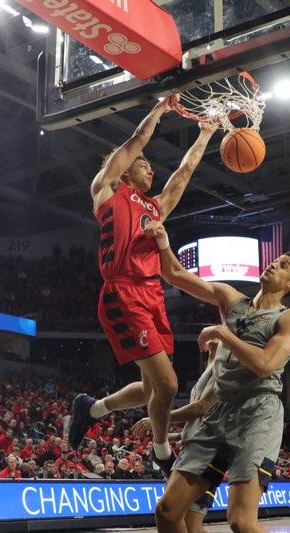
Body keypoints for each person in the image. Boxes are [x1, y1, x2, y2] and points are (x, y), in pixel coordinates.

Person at [69, 96, 219, 475]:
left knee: (152, 391)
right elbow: (136, 140)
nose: (150, 170)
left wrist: (205, 134)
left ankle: (90, 408)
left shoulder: (155, 207)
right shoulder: (107, 190)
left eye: (152, 167)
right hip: (122, 292)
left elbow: (183, 173)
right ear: (123, 169)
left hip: (153, 295)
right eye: (144, 165)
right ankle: (161, 450)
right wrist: (158, 110)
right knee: (168, 385)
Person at [144, 220, 290, 533]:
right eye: (274, 260)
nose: (274, 264)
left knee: (242, 522)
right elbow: (176, 275)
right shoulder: (231, 299)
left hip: (258, 412)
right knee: (167, 512)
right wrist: (163, 241)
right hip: (218, 412)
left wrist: (224, 333)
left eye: (283, 265)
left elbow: (265, 364)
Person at [133, 340, 222, 533]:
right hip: (200, 449)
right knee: (190, 524)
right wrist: (170, 434)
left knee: (175, 516)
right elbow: (196, 425)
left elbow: (200, 408)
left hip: (205, 453)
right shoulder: (210, 371)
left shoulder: (225, 372)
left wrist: (159, 418)